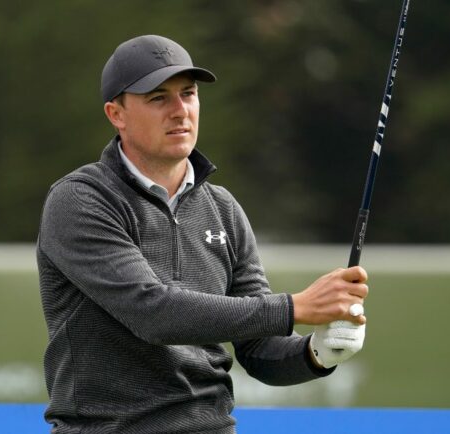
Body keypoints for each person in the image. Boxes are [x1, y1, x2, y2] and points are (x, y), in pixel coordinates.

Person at [37, 34, 369, 433]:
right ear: (117, 114)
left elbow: (259, 348)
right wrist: (294, 308)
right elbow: (152, 313)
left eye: (189, 94)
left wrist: (318, 353)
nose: (180, 111)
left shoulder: (223, 208)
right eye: (158, 97)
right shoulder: (81, 199)